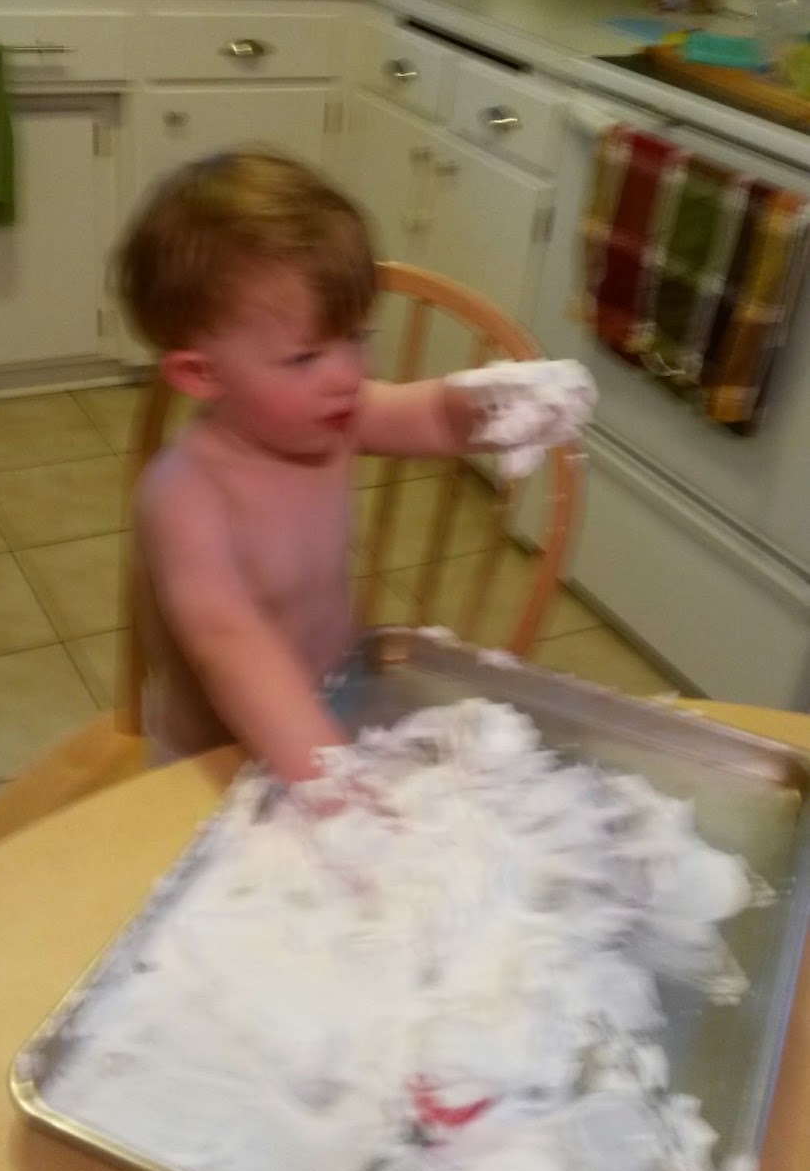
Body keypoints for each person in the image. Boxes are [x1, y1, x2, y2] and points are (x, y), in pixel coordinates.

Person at [118, 149, 595, 783]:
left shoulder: (337, 417)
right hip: (214, 767)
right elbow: (228, 641)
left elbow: (432, 416)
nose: (348, 374)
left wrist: (500, 407)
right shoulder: (185, 494)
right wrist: (332, 779)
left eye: (356, 338)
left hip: (335, 717)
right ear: (201, 375)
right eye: (304, 358)